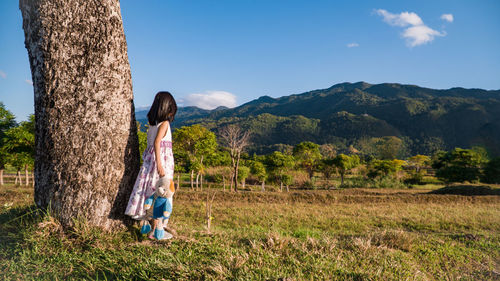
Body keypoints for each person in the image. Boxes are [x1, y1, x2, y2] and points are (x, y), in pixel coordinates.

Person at [125, 91, 177, 232]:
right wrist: (160, 165)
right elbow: (157, 143)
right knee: (162, 192)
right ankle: (157, 228)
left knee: (151, 190)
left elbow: (152, 146)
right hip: (161, 162)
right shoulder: (164, 124)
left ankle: (151, 226)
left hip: (150, 163)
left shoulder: (152, 126)